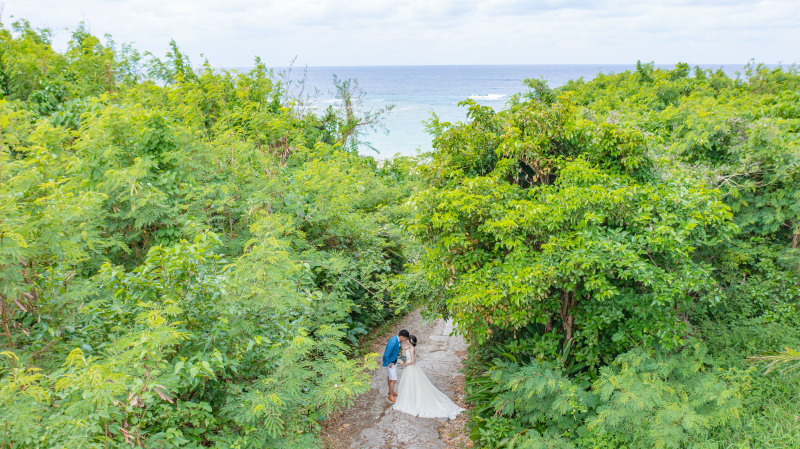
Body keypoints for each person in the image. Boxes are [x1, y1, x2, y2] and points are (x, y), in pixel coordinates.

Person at [393, 334, 464, 419]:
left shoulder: (412, 349)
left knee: (413, 383)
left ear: (410, 341)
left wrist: (405, 363)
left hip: (411, 367)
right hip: (408, 369)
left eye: (407, 340)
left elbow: (412, 361)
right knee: (409, 384)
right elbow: (402, 348)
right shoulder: (408, 347)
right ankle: (410, 399)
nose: (406, 340)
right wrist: (398, 351)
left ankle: (413, 401)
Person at [382, 329, 409, 403]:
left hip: (394, 361)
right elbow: (386, 354)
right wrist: (388, 363)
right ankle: (390, 395)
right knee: (394, 379)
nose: (405, 340)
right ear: (401, 336)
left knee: (391, 377)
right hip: (390, 363)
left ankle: (391, 391)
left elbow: (400, 351)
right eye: (405, 338)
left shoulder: (399, 341)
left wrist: (403, 360)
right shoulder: (393, 342)